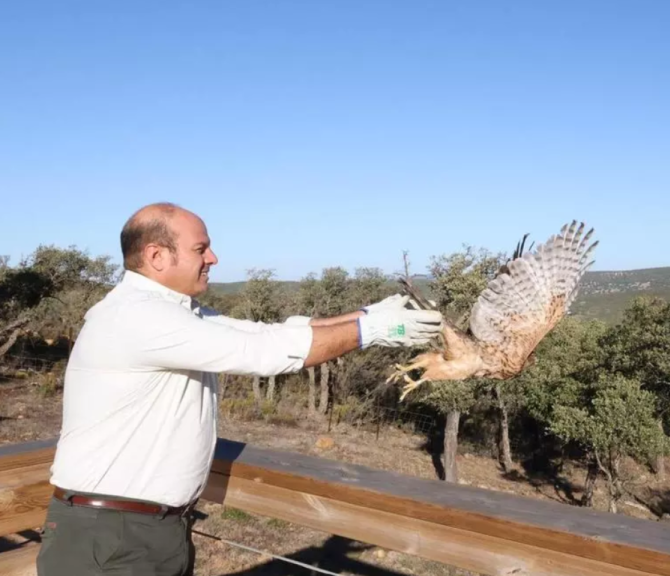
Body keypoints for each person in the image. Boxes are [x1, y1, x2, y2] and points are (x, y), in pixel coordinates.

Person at [35, 202, 442, 576]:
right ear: (157, 256)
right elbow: (261, 352)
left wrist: (367, 315)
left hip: (147, 530)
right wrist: (368, 332)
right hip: (112, 537)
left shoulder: (171, 313)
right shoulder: (138, 318)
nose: (213, 258)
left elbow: (269, 332)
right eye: (201, 249)